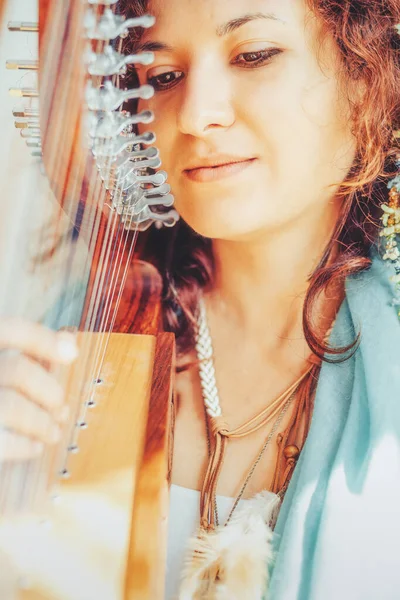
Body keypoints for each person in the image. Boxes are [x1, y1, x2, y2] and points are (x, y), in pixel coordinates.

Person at [0, 0, 399, 598]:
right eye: (162, 76)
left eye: (254, 55)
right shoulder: (70, 343)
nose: (194, 114)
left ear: (369, 74)